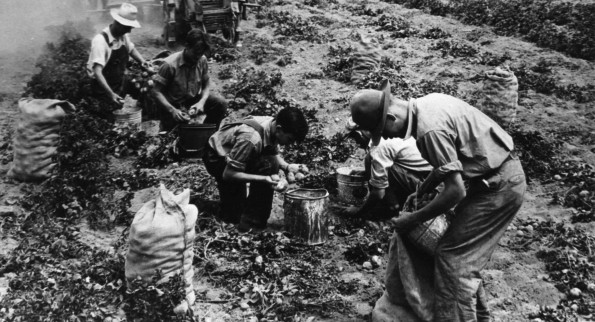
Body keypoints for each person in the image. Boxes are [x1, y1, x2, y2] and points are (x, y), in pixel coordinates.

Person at [349, 79, 526, 322]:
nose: (388, 137)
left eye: (383, 132)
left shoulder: (428, 130)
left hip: (500, 186)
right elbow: (448, 165)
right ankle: (477, 315)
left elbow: (455, 192)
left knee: (454, 260)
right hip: (489, 179)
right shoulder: (429, 102)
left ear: (390, 118)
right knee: (459, 254)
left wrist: (412, 219)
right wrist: (424, 188)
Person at [202, 106, 309, 231]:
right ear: (279, 129)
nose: (290, 144)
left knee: (270, 163)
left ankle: (254, 222)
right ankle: (245, 223)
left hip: (238, 154)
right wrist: (264, 179)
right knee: (233, 217)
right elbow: (229, 174)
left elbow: (271, 153)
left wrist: (286, 166)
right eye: (289, 139)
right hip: (217, 158)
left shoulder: (273, 125)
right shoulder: (251, 138)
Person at [341, 120, 433, 219]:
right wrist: (367, 173)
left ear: (360, 134)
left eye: (354, 138)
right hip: (422, 175)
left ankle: (391, 206)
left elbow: (378, 193)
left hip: (428, 186)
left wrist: (358, 211)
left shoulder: (379, 145)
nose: (356, 144)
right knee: (370, 160)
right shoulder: (384, 132)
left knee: (377, 168)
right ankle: (392, 200)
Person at [152, 29, 227, 131]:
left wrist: (201, 102)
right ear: (187, 46)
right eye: (196, 53)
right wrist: (172, 110)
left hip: (193, 100)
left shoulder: (202, 59)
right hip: (173, 105)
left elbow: (206, 83)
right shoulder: (169, 65)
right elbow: (156, 91)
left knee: (220, 103)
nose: (198, 57)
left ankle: (207, 133)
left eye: (201, 53)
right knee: (175, 135)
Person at [86, 3, 150, 107]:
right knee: (108, 116)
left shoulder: (122, 36)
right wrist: (111, 94)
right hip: (103, 89)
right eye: (128, 27)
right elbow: (97, 72)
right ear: (119, 23)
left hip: (118, 82)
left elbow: (131, 49)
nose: (129, 30)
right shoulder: (100, 41)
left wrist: (143, 62)